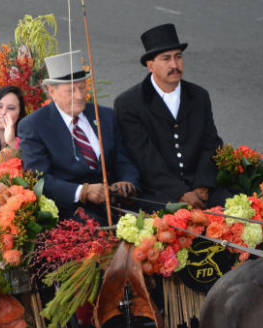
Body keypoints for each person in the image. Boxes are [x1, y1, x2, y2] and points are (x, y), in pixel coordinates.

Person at [114, 23, 227, 213]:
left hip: (200, 188)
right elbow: (144, 157)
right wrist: (180, 193)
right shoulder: (129, 103)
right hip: (158, 192)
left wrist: (203, 186)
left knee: (239, 215)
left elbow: (211, 144)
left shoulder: (199, 96)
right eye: (166, 59)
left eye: (178, 57)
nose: (174, 65)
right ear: (150, 65)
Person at [19, 51, 139, 224]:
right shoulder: (34, 125)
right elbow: (39, 178)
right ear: (51, 91)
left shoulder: (104, 115)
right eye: (71, 91)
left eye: (82, 88)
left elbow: (123, 158)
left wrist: (127, 183)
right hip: (72, 211)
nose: (80, 96)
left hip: (116, 204)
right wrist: (82, 191)